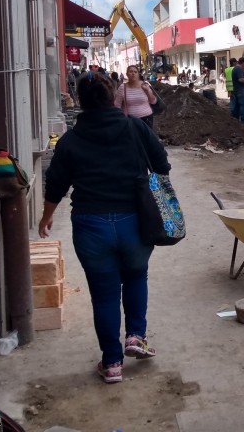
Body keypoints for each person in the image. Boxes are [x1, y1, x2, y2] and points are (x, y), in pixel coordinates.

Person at [38, 71, 171, 384]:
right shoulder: (136, 128)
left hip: (90, 225)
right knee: (137, 275)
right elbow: (162, 165)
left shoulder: (71, 140)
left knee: (105, 294)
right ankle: (136, 336)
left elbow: (56, 182)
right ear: (114, 97)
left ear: (81, 102)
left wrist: (46, 217)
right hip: (134, 221)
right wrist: (160, 199)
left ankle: (112, 364)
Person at [114, 65, 158, 130]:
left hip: (147, 118)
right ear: (127, 74)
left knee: (145, 139)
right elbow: (117, 105)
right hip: (130, 120)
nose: (133, 73)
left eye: (135, 72)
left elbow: (153, 101)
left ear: (138, 74)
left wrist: (148, 91)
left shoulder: (145, 85)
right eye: (131, 71)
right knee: (133, 139)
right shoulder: (123, 87)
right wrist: (120, 119)